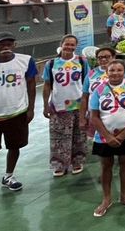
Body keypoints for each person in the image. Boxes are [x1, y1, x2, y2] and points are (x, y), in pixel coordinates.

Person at [0, 32, 37, 208]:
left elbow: (31, 84)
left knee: (14, 147)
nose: (6, 47)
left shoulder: (26, 61)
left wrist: (31, 109)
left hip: (16, 114)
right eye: (1, 44)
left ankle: (8, 176)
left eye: (9, 44)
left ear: (15, 45)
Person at [89, 60, 125, 217]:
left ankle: (124, 195)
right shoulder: (99, 89)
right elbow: (94, 116)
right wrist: (107, 136)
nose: (115, 73)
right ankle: (106, 199)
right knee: (106, 166)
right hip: (104, 136)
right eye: (112, 70)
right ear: (107, 72)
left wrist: (123, 134)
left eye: (119, 70)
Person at [42, 34, 89, 176]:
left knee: (79, 135)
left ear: (76, 46)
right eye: (66, 44)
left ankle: (77, 161)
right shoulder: (51, 64)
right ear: (61, 45)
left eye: (72, 44)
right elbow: (47, 85)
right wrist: (45, 105)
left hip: (79, 105)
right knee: (58, 136)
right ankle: (59, 164)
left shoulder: (82, 61)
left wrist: (88, 105)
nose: (69, 47)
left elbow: (87, 83)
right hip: (59, 106)